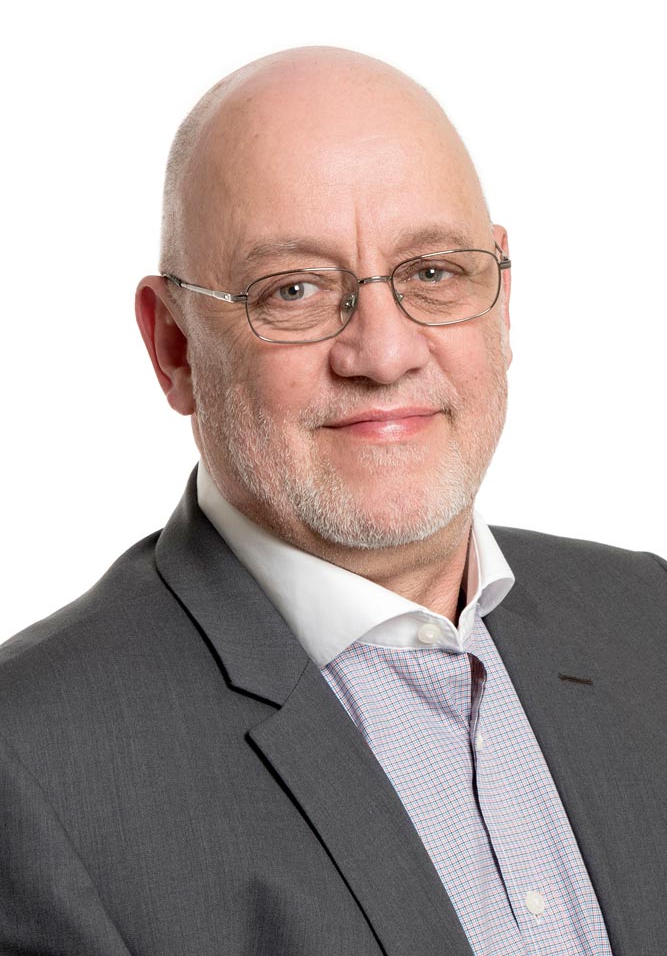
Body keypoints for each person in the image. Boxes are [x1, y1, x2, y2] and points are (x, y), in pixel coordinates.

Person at [1, 47, 665, 956]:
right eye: (295, 291)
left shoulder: (646, 619)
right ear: (174, 348)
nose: (383, 354)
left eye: (432, 272)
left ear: (501, 300)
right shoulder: (34, 765)